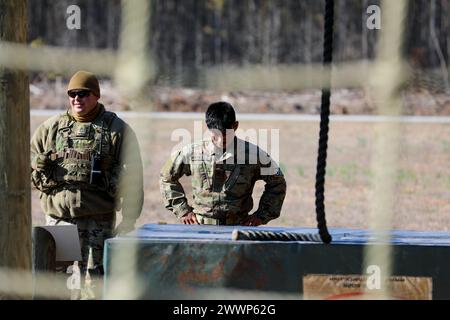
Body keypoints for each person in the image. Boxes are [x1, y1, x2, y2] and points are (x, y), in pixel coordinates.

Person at [31, 70, 143, 298]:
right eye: (72, 94)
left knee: (94, 282)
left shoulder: (116, 130)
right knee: (55, 282)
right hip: (60, 218)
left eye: (83, 93)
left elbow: (134, 178)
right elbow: (30, 164)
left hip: (97, 220)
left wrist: (129, 218)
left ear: (96, 95)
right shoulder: (50, 128)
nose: (76, 99)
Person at [160, 101, 286, 226]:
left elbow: (277, 183)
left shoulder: (254, 155)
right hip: (200, 228)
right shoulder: (192, 152)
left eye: (226, 134)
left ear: (235, 126)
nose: (220, 140)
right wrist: (182, 211)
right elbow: (167, 177)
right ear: (208, 127)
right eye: (216, 134)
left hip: (239, 228)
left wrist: (261, 215)